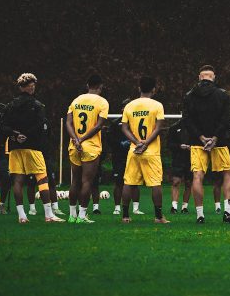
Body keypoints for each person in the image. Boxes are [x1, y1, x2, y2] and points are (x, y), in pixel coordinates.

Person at [0, 73, 64, 223]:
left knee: (17, 181)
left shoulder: (10, 105)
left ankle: (22, 216)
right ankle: (49, 215)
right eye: (32, 85)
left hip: (15, 147)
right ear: (29, 87)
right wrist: (26, 135)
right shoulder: (37, 105)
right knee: (42, 178)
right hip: (33, 147)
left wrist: (16, 135)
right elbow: (41, 125)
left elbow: (3, 127)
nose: (33, 88)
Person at [183, 65, 230, 224]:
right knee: (227, 174)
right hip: (219, 142)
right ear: (213, 77)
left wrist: (200, 137)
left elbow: (187, 120)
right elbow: (226, 118)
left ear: (200, 77)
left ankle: (200, 215)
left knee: (197, 176)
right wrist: (214, 137)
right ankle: (227, 213)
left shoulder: (189, 95)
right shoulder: (222, 94)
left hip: (197, 142)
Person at [119, 76, 169, 224]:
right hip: (151, 151)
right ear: (154, 89)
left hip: (134, 150)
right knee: (155, 183)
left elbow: (124, 128)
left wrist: (136, 142)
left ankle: (125, 216)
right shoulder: (157, 105)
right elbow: (158, 128)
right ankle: (158, 217)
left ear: (139, 88)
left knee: (129, 182)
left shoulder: (130, 106)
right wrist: (146, 143)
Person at [65, 74, 110, 223]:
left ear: (87, 85)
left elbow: (68, 123)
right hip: (90, 147)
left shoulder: (76, 100)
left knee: (75, 182)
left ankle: (72, 215)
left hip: (74, 146)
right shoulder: (102, 102)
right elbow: (98, 126)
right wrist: (83, 139)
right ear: (100, 87)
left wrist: (75, 139)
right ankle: (82, 216)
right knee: (86, 182)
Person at [167, 119, 192, 214]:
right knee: (176, 182)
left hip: (190, 159)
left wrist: (192, 147)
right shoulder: (174, 128)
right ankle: (174, 207)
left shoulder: (194, 128)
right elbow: (169, 144)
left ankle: (184, 207)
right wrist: (179, 146)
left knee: (189, 183)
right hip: (178, 159)